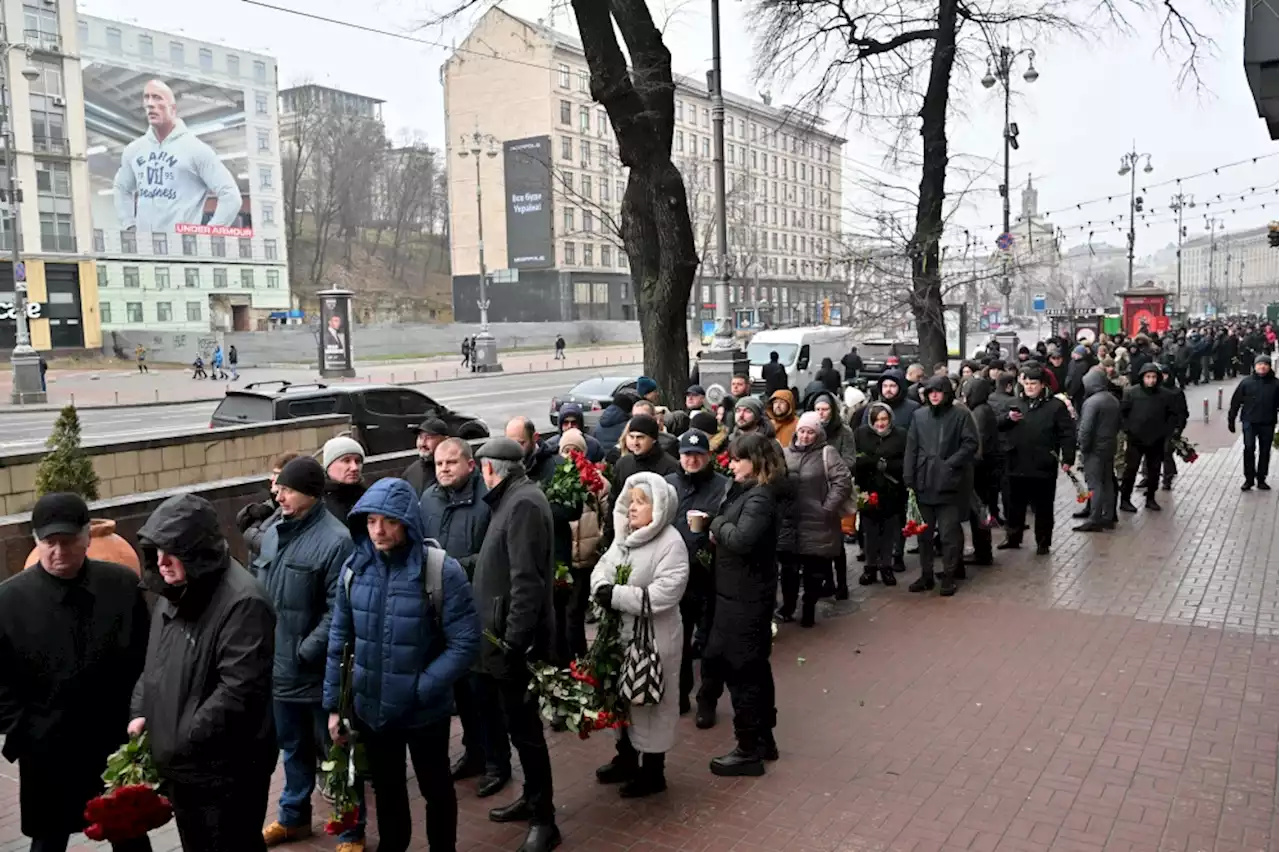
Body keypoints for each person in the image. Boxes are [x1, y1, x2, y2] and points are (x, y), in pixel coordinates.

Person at [325, 477, 481, 852]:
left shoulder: (440, 571)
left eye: (388, 521)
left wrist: (420, 688)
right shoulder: (354, 569)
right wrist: (334, 706)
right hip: (373, 709)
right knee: (387, 788)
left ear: (407, 522)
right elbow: (339, 640)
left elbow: (465, 642)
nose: (378, 530)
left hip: (423, 711)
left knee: (435, 787)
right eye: (371, 521)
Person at [0, 493, 151, 852]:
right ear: (36, 542)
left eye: (67, 542)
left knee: (129, 835)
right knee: (48, 839)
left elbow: (146, 656)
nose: (58, 552)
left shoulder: (121, 585)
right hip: (47, 748)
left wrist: (140, 718)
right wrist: (22, 729)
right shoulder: (8, 601)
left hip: (113, 742)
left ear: (87, 536)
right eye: (49, 543)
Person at [130, 493, 276, 852]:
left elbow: (238, 692)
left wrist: (179, 739)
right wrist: (141, 711)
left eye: (171, 551)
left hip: (225, 770)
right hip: (187, 766)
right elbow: (155, 664)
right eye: (156, 551)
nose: (161, 563)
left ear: (196, 551)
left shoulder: (243, 603)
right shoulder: (176, 590)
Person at [255, 458, 363, 852]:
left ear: (311, 493)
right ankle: (293, 817)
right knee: (293, 749)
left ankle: (351, 830)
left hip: (316, 673)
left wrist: (305, 651)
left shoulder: (336, 541)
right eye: (278, 488)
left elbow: (339, 611)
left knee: (336, 753)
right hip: (279, 670)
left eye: (287, 489)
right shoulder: (273, 532)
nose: (277, 494)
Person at [471, 438, 561, 852]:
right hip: (504, 639)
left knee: (526, 733)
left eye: (479, 469)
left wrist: (514, 643)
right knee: (518, 729)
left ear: (492, 469)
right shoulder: (513, 498)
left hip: (514, 646)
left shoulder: (521, 503)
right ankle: (530, 799)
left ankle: (546, 820)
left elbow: (527, 583)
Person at [419, 439, 511, 801]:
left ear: (471, 465)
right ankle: (474, 753)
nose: (443, 468)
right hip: (438, 611)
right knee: (458, 691)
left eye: (451, 462)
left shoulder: (487, 502)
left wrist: (449, 569)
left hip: (476, 610)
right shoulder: (428, 499)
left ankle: (497, 763)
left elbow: (492, 557)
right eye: (440, 463)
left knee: (483, 694)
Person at [590, 473, 690, 797]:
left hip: (655, 641)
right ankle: (626, 759)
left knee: (649, 701)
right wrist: (600, 588)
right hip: (622, 636)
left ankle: (653, 772)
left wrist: (616, 596)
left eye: (641, 502)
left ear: (659, 507)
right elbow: (602, 568)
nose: (632, 508)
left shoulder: (671, 543)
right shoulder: (624, 537)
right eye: (630, 500)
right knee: (623, 699)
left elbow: (664, 594)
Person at [703, 433, 783, 776]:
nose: (730, 464)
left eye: (737, 459)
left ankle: (748, 748)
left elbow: (742, 539)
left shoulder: (760, 498)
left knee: (743, 671)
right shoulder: (746, 492)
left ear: (756, 461)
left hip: (745, 599)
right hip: (737, 595)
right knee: (751, 668)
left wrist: (715, 524)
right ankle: (763, 739)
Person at [664, 429, 731, 721]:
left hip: (711, 577)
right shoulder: (668, 485)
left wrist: (713, 529)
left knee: (711, 645)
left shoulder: (724, 487)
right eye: (687, 455)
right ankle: (679, 695)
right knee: (678, 641)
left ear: (708, 456)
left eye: (698, 455)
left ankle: (707, 700)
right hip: (678, 578)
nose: (692, 460)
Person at [113, 79, 240, 233]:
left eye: (157, 98)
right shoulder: (134, 150)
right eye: (147, 97)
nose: (150, 104)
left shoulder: (196, 150)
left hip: (182, 252)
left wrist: (207, 236)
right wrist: (129, 224)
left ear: (173, 108)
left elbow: (231, 196)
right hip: (144, 251)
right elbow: (121, 188)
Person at [903, 376, 979, 596]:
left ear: (947, 393)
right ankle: (926, 575)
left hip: (950, 485)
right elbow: (912, 448)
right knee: (924, 535)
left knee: (948, 534)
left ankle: (948, 575)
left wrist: (950, 464)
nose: (934, 395)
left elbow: (971, 443)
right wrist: (909, 478)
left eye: (938, 391)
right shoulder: (919, 416)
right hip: (924, 482)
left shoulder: (960, 415)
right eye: (930, 392)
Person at [777, 412, 852, 626]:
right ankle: (788, 607)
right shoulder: (784, 453)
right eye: (802, 431)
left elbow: (842, 481)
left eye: (811, 432)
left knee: (814, 571)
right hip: (789, 523)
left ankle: (809, 607)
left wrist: (827, 508)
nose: (805, 436)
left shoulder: (827, 453)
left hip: (818, 522)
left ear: (818, 433)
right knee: (789, 570)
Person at [996, 366, 1075, 555]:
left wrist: (1068, 457)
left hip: (1043, 464)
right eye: (1027, 384)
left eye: (1034, 384)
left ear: (1042, 385)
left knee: (1043, 507)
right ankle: (1013, 537)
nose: (1030, 387)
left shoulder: (1055, 406)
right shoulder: (1014, 403)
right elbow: (998, 425)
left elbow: (1067, 433)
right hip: (1017, 462)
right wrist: (1008, 418)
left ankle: (1043, 541)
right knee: (1015, 504)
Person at [852, 403, 907, 585]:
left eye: (884, 419)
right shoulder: (861, 434)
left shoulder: (900, 435)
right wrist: (871, 462)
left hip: (892, 490)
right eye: (876, 420)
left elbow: (905, 461)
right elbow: (855, 460)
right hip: (868, 490)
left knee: (889, 531)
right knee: (869, 531)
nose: (880, 424)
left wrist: (888, 465)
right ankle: (870, 568)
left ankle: (886, 567)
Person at [1119, 363, 1176, 512]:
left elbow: (1172, 415)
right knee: (1130, 470)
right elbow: (1122, 413)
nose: (1151, 380)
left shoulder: (1166, 395)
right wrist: (1128, 429)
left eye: (1153, 377)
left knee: (1154, 470)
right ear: (1142, 377)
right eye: (1148, 377)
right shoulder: (1131, 393)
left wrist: (1166, 431)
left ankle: (1150, 498)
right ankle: (1125, 499)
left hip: (1156, 439)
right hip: (1135, 439)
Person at [1075, 369, 1122, 532]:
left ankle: (1094, 519)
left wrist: (1082, 446)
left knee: (1094, 484)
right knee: (1108, 481)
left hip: (1094, 448)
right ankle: (1108, 516)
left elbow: (1085, 428)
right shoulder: (1113, 400)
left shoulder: (1092, 402)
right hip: (1109, 446)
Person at [1228, 354, 1280, 491]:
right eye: (1259, 364)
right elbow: (1236, 402)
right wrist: (1231, 419)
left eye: (1265, 364)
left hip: (1267, 422)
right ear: (1255, 366)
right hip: (1249, 421)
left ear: (1269, 366)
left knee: (1265, 451)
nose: (1262, 367)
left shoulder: (1276, 384)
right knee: (1249, 448)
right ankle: (1249, 479)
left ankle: (1261, 478)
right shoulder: (1246, 382)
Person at [237, 451, 300, 559]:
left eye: (277, 474)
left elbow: (266, 544)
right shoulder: (270, 506)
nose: (272, 478)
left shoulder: (292, 510)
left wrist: (250, 533)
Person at [610, 414, 681, 491]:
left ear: (653, 439)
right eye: (631, 437)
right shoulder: (623, 464)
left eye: (640, 437)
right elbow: (614, 497)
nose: (635, 443)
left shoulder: (671, 467)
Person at [402, 417, 451, 496]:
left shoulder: (455, 470)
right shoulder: (411, 472)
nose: (422, 443)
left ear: (445, 440)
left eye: (429, 438)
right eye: (420, 437)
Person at [323, 436, 368, 521]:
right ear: (329, 465)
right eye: (346, 461)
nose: (354, 468)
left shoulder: (369, 497)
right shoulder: (317, 505)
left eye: (358, 461)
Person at [507, 416, 559, 484]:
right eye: (510, 444)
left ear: (535, 438)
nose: (514, 450)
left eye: (520, 443)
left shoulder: (555, 467)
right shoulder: (503, 466)